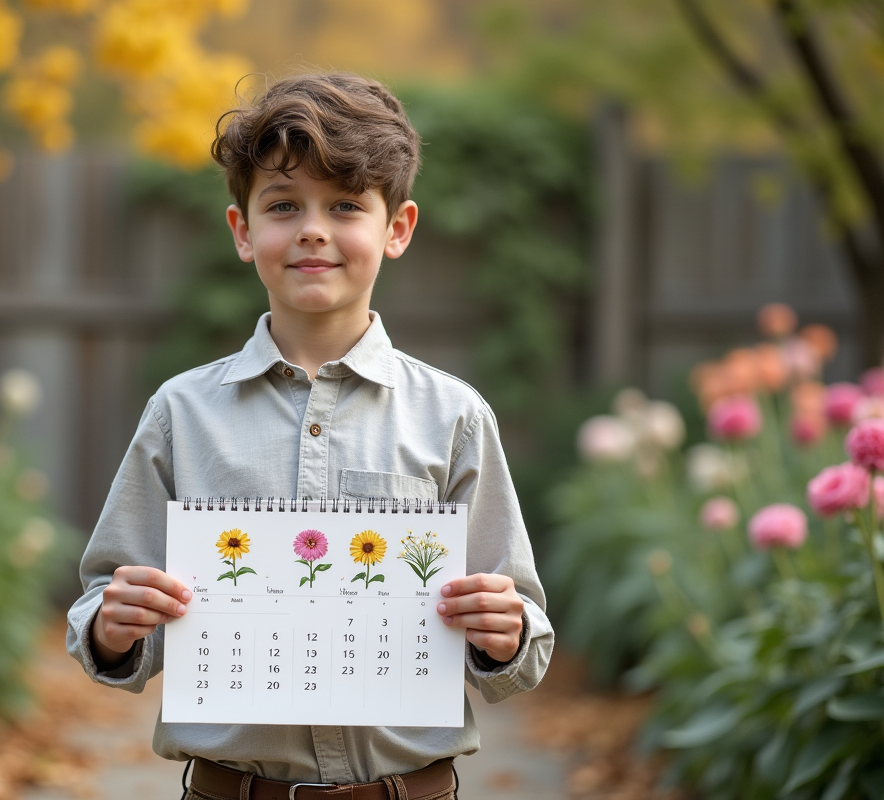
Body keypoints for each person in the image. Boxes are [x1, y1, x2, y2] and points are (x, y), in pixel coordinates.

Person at [67, 72, 553, 800]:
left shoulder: (454, 417)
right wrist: (113, 626)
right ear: (242, 230)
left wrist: (505, 631)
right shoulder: (181, 413)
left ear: (398, 229)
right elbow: (105, 610)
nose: (313, 229)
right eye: (284, 205)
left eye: (346, 205)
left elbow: (525, 641)